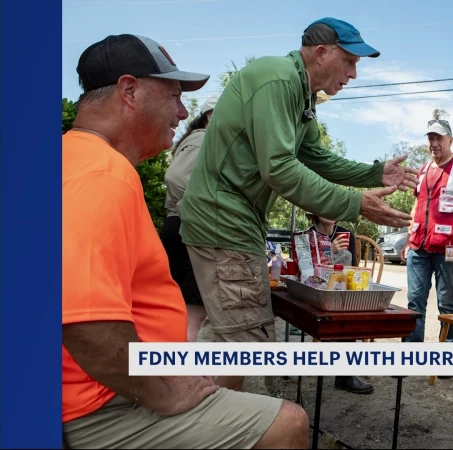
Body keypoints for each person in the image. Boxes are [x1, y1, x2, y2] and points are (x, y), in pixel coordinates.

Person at [62, 34, 309, 449]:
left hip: (109, 384)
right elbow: (85, 323)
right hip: (100, 404)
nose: (181, 112)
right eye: (174, 96)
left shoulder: (75, 157)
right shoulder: (101, 174)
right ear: (129, 91)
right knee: (288, 423)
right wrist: (163, 394)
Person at [178, 17, 417, 392]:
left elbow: (316, 158)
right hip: (223, 223)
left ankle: (191, 409)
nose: (353, 74)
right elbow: (280, 168)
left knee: (227, 334)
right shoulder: (277, 79)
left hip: (236, 224)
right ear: (321, 53)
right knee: (248, 343)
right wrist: (355, 204)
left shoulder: (301, 96)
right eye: (350, 62)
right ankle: (230, 425)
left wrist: (375, 173)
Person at [400, 118, 453, 346]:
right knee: (414, 301)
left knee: (446, 303)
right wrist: (408, 239)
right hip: (418, 249)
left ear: (451, 140)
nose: (434, 143)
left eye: (439, 138)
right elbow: (417, 206)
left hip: (449, 249)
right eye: (431, 139)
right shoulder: (423, 170)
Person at [160, 93, 219, 342]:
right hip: (188, 228)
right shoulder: (202, 140)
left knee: (189, 309)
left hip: (185, 226)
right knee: (193, 311)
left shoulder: (203, 139)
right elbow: (176, 179)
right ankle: (183, 376)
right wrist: (200, 213)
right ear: (210, 115)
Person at [305, 212, 375, 394]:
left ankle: (344, 375)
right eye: (325, 207)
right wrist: (329, 250)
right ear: (314, 211)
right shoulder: (307, 236)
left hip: (339, 291)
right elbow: (306, 272)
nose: (330, 211)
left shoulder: (346, 235)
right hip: (315, 290)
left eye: (334, 207)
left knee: (351, 307)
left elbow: (351, 268)